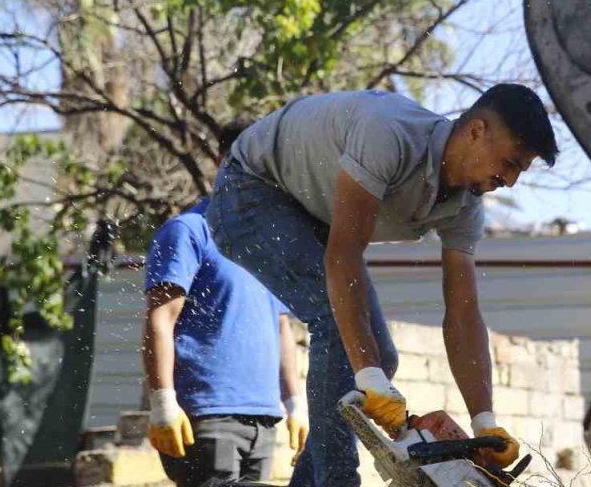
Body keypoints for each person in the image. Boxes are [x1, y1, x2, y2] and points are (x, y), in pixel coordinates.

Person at [205, 85, 558, 486]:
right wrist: (367, 376)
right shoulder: (389, 133)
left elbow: (462, 311)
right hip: (248, 190)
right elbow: (343, 255)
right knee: (343, 339)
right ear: (476, 131)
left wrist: (484, 422)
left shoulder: (466, 206)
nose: (510, 180)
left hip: (309, 214)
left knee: (379, 357)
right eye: (509, 163)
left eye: (519, 171)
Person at [142, 121, 310, 487]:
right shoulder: (188, 231)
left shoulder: (265, 244)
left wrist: (295, 403)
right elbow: (160, 319)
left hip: (264, 417)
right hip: (207, 415)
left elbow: (280, 326)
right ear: (223, 163)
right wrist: (163, 402)